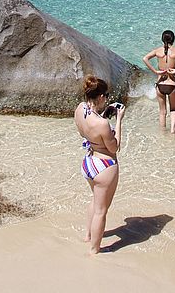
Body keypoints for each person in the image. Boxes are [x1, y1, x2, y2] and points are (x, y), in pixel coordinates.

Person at [74, 75, 125, 254]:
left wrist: (103, 114)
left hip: (88, 162)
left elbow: (88, 130)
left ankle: (88, 235)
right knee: (101, 211)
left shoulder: (80, 109)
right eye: (107, 95)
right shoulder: (103, 124)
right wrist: (118, 120)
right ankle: (94, 250)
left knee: (95, 202)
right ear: (101, 97)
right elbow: (115, 146)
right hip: (104, 165)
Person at [142, 30, 175, 133]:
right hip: (172, 84)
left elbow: (145, 58)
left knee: (162, 111)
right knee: (173, 109)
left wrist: (155, 71)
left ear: (162, 39)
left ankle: (163, 132)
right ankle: (172, 130)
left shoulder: (157, 51)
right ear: (173, 39)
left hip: (160, 84)